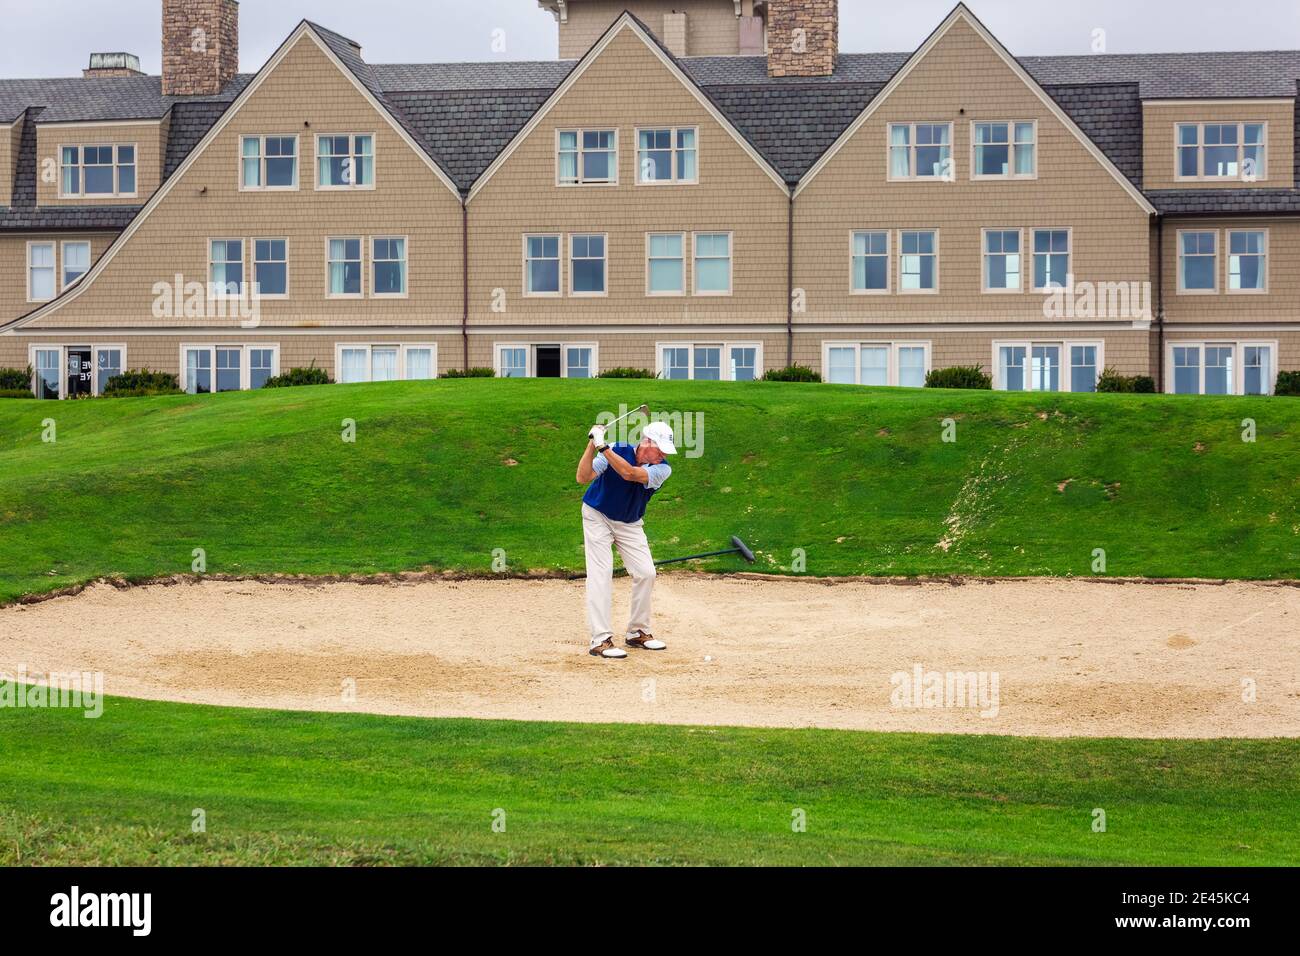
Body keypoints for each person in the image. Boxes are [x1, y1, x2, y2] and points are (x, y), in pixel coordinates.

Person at [575, 419, 677, 659]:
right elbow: (583, 476)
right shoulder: (618, 449)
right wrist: (592, 444)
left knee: (646, 572)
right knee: (601, 574)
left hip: (630, 522)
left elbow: (629, 473)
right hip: (596, 515)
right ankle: (600, 640)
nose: (663, 454)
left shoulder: (663, 469)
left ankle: (637, 632)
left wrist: (603, 447)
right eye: (660, 448)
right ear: (646, 442)